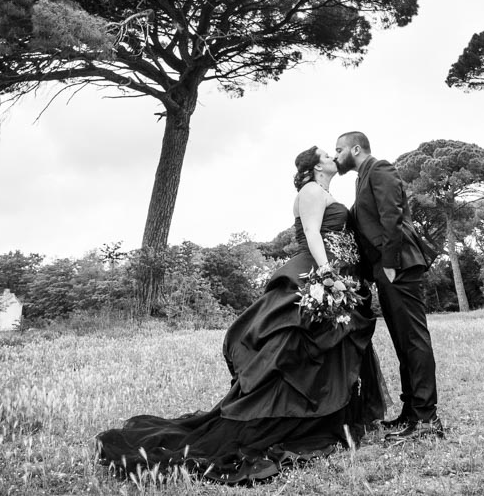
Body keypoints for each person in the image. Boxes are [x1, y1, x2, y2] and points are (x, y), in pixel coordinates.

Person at [96, 146, 387, 485]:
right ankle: (283, 418)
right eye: (326, 154)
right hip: (317, 276)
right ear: (314, 166)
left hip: (339, 277)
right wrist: (327, 275)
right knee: (297, 350)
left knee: (329, 351)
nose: (332, 157)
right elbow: (311, 234)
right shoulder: (310, 190)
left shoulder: (325, 191)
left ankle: (323, 417)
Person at [333, 130, 443, 441]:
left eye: (339, 149)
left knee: (414, 340)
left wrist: (391, 264)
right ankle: (411, 413)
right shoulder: (361, 177)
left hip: (400, 265)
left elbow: (391, 216)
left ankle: (426, 420)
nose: (336, 155)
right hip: (386, 268)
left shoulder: (380, 169)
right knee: (402, 342)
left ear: (356, 148)